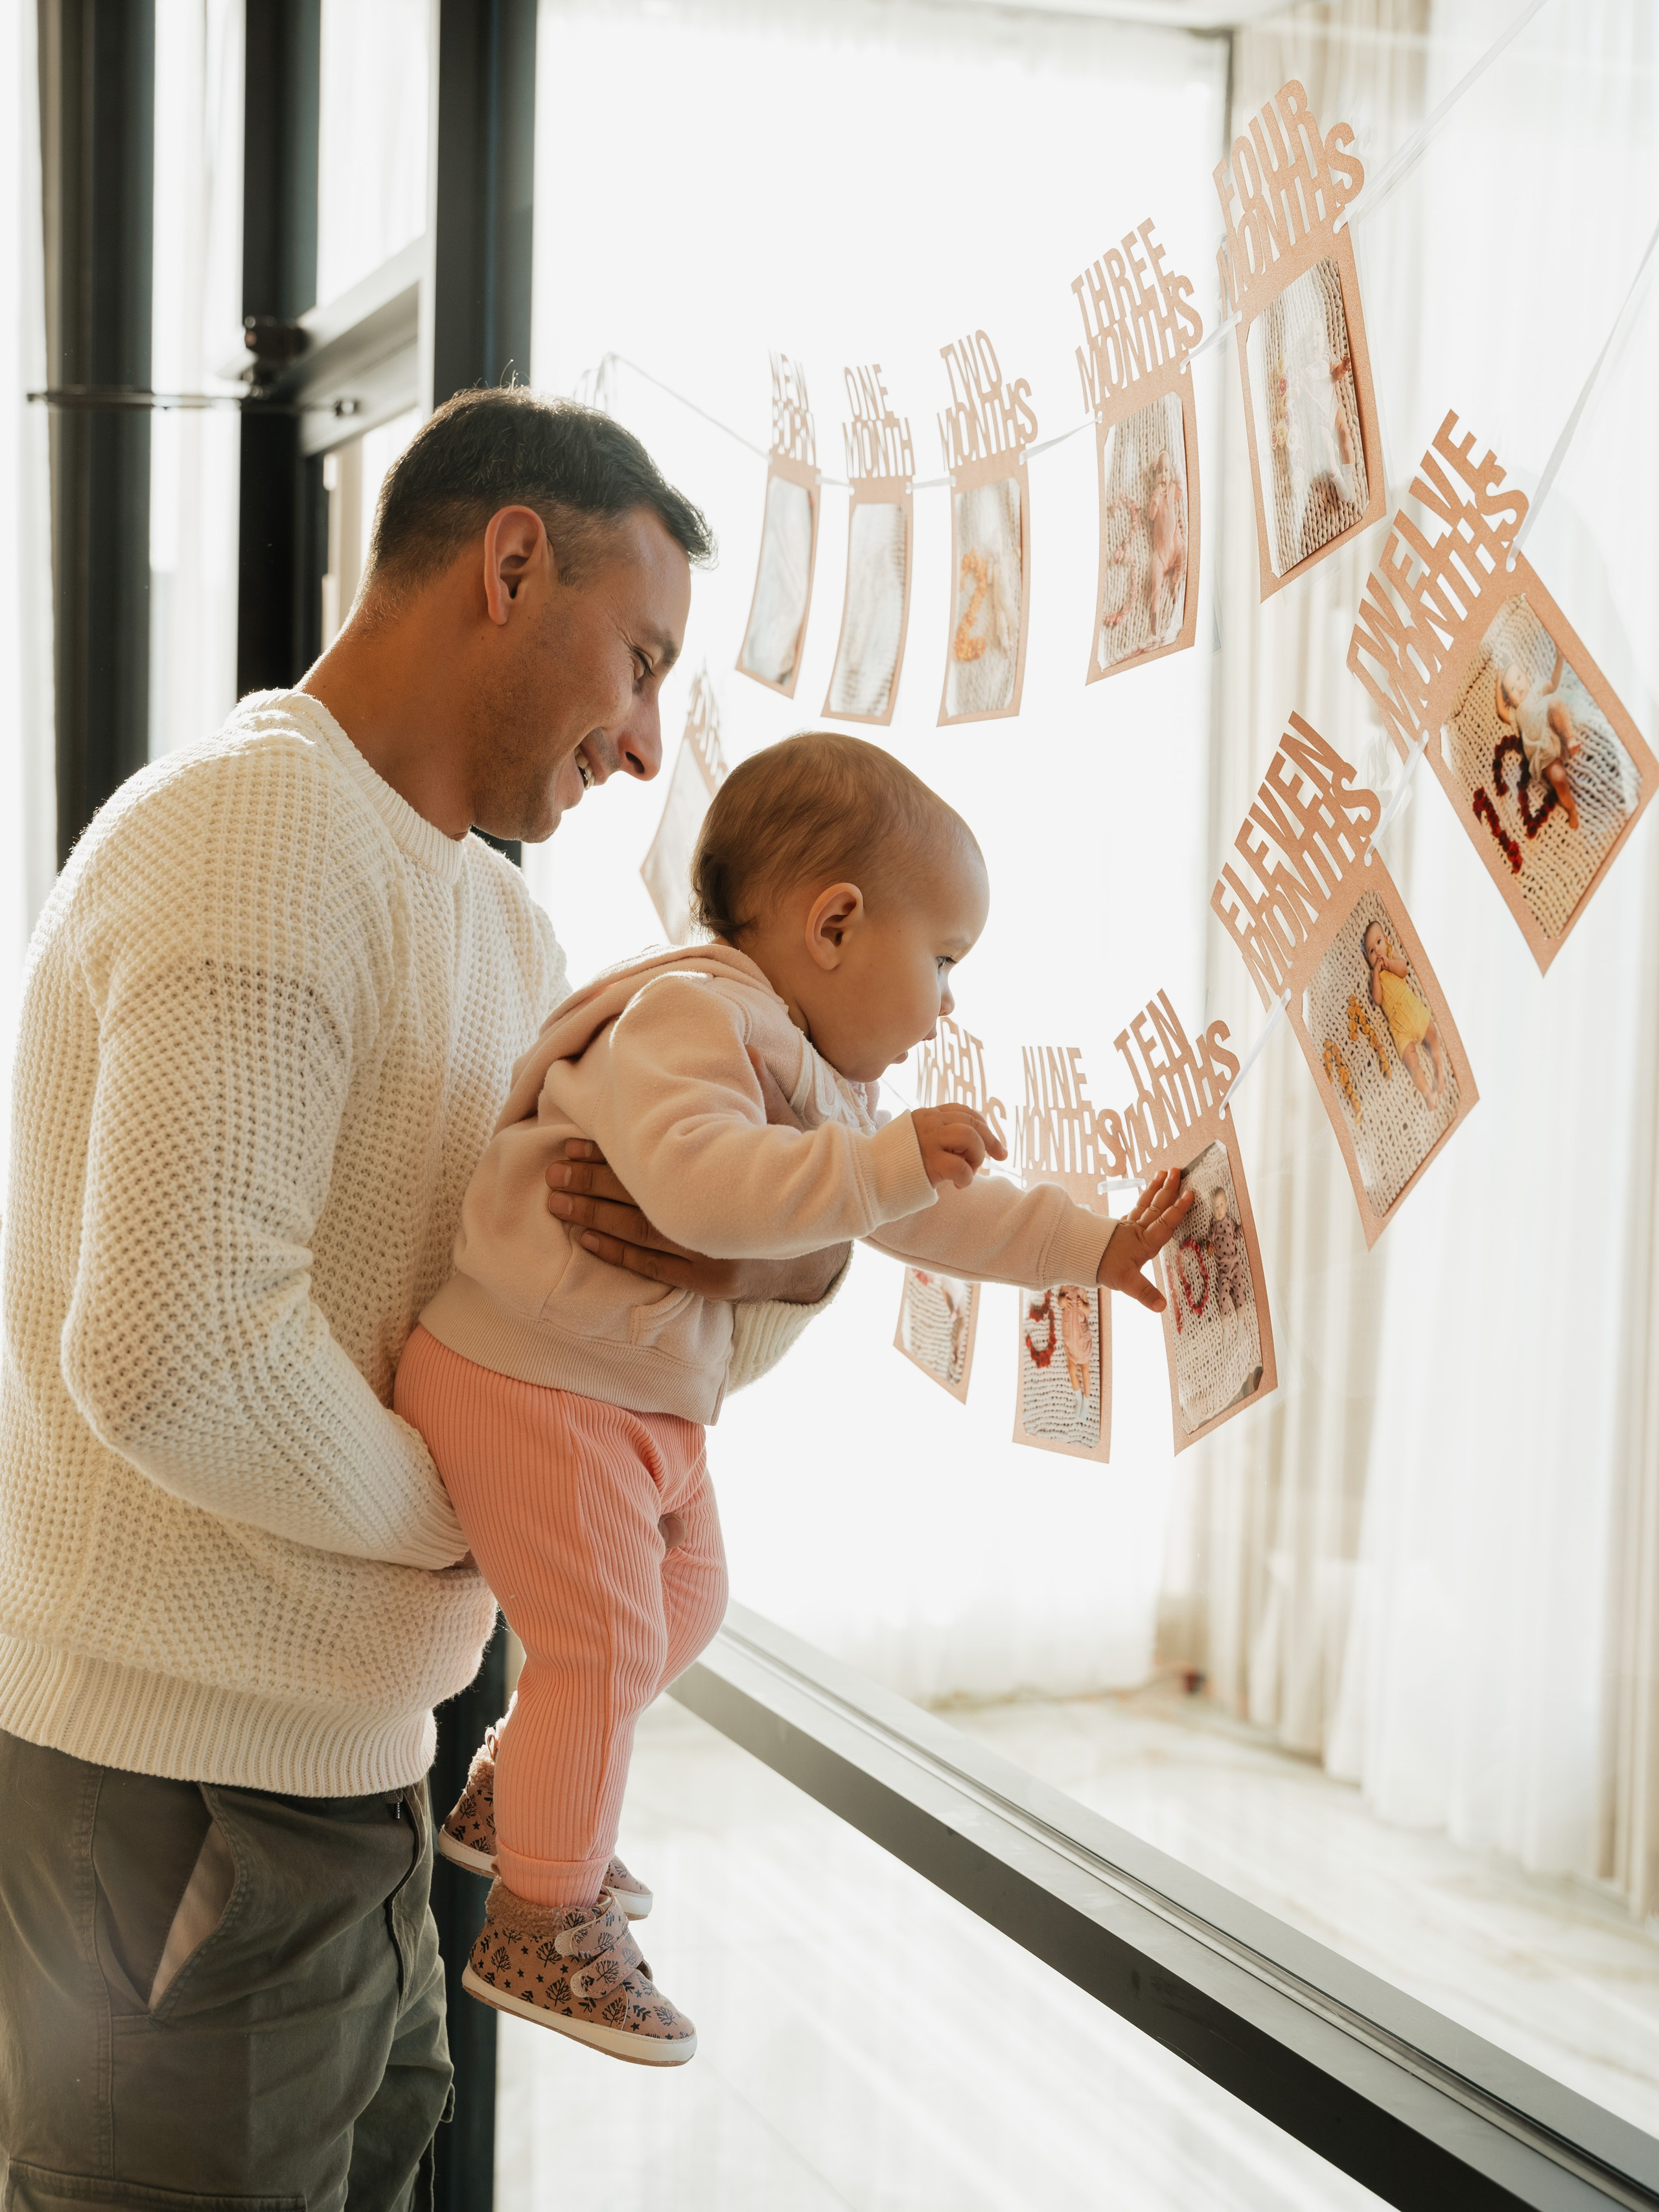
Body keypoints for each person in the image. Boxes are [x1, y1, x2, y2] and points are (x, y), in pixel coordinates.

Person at [0, 390, 849, 2205]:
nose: (640, 743)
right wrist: (507, 1524)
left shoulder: (502, 930)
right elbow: (175, 1359)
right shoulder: (251, 840)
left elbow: (578, 1345)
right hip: (187, 1787)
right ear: (509, 560)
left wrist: (803, 1241)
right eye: (636, 660)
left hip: (360, 1780)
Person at [394, 730, 1196, 2064]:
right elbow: (698, 1188)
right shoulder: (692, 1017)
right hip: (528, 1379)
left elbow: (931, 1211)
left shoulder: (810, 1067)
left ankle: (522, 1789)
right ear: (833, 922)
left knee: (684, 1601)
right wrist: (877, 1167)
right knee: (594, 1646)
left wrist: (1085, 1244)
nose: (946, 1006)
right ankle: (542, 1911)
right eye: (943, 961)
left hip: (621, 1404)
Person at [1363, 918, 1446, 1112]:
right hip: (1399, 1028)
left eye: (1379, 943)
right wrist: (1376, 975)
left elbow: (1404, 970)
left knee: (1433, 1035)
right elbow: (1377, 999)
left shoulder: (1393, 956)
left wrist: (1389, 963)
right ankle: (1428, 1094)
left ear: (1387, 940)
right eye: (1371, 951)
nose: (1377, 952)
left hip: (1412, 1009)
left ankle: (1439, 1069)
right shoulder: (1374, 977)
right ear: (1368, 959)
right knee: (1412, 1064)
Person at [1496, 648, 1582, 832]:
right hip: (1543, 753)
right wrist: (1498, 681)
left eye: (1519, 678)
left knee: (1555, 702)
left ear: (1527, 676)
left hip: (1553, 730)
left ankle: (1570, 739)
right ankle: (1572, 809)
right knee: (1559, 778)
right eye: (1512, 688)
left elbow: (1554, 683)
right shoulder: (1516, 712)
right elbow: (1501, 710)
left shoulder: (1537, 690)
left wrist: (1560, 658)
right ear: (1509, 700)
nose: (1518, 686)